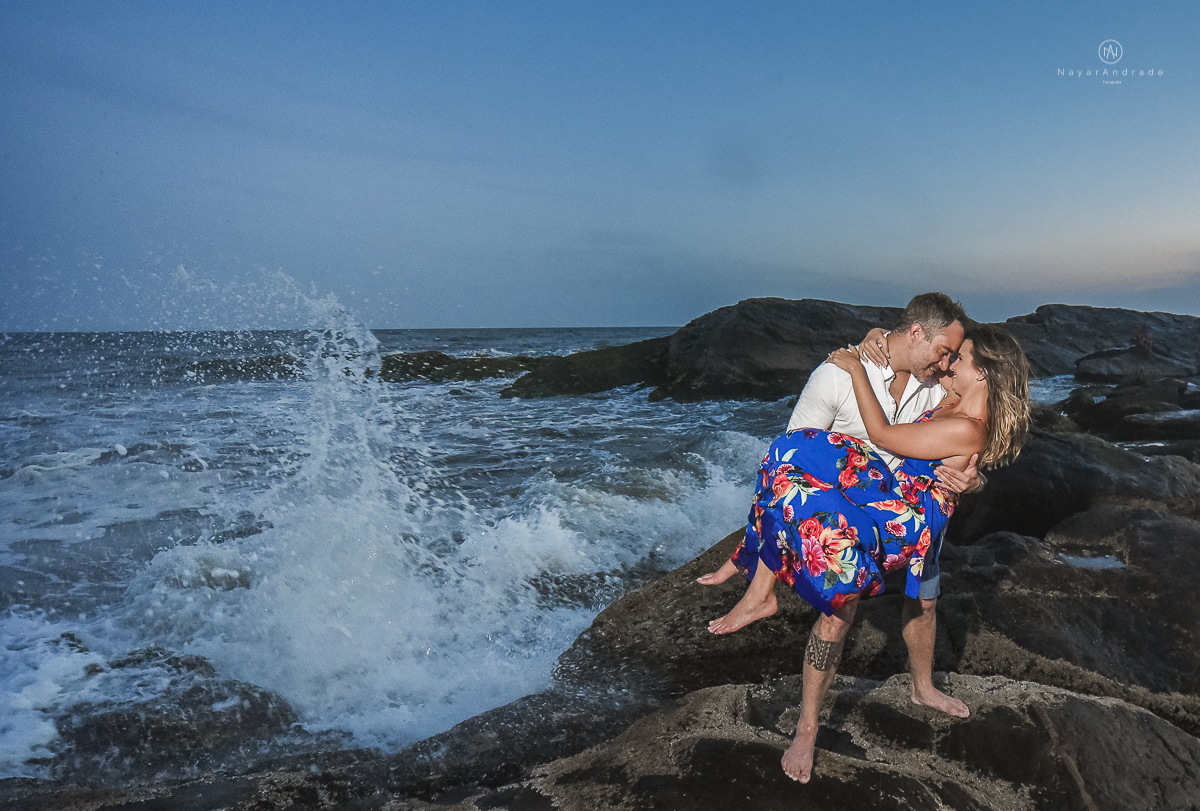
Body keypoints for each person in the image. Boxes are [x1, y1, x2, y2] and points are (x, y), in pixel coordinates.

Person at [701, 313, 1031, 784]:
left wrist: (856, 369)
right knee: (789, 452)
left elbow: (883, 437)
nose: (948, 362)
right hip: (884, 491)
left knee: (890, 598)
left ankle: (897, 694)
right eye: (949, 354)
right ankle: (799, 699)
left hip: (906, 520)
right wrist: (880, 342)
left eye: (959, 357)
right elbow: (908, 356)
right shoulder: (950, 393)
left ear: (982, 371)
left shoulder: (968, 424)